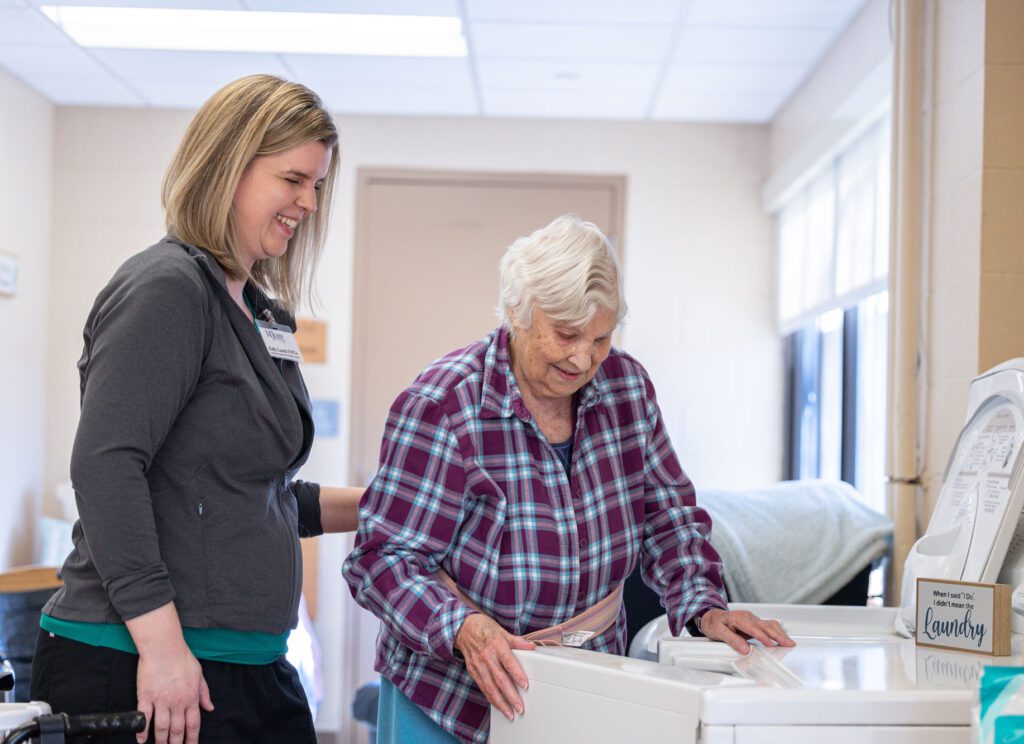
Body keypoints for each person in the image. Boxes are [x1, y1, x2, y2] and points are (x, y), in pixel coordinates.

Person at [342, 215, 794, 744]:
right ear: (517, 312)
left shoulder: (627, 389)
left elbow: (668, 517)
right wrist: (462, 628)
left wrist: (703, 604)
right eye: (566, 334)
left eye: (601, 337)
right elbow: (380, 559)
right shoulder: (442, 406)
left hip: (589, 685)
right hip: (451, 694)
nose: (584, 358)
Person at [31, 75, 361, 744]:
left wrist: (393, 503)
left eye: (318, 184)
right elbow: (104, 467)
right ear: (229, 167)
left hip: (245, 664)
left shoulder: (258, 310)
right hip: (145, 663)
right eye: (293, 179)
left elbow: (248, 495)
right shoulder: (168, 289)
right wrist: (162, 648)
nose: (309, 202)